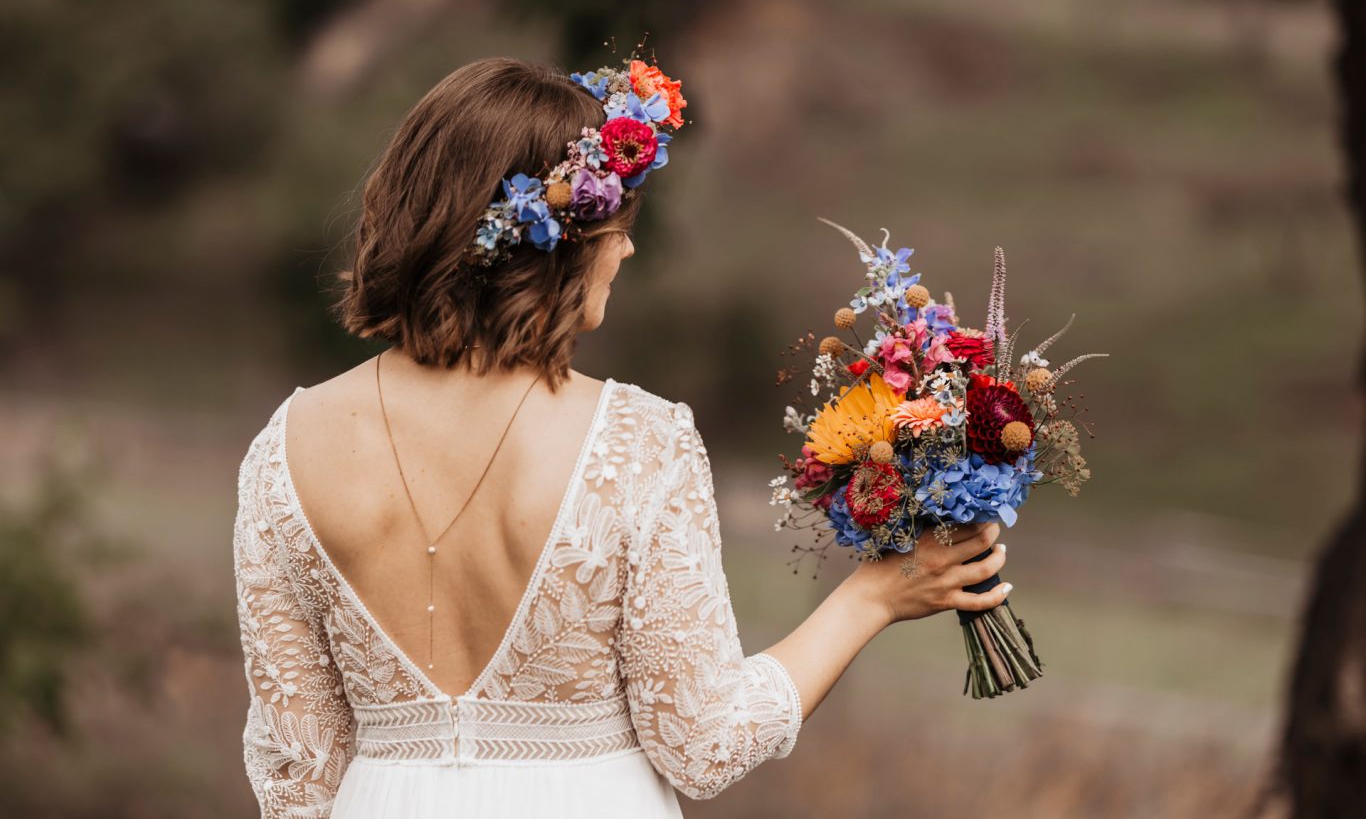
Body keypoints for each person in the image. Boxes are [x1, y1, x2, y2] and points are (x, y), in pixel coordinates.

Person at [233, 56, 1009, 818]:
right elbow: (702, 743)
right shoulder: (638, 442)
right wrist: (874, 594)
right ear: (555, 238)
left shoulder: (286, 448)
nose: (628, 248)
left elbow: (296, 778)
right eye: (618, 223)